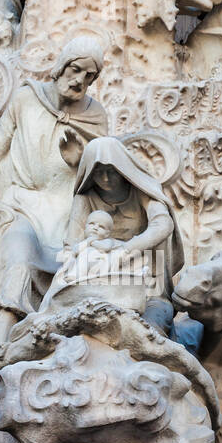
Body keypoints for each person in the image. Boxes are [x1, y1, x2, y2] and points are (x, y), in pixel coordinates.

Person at [0, 37, 108, 346]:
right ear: (61, 66)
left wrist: (81, 159)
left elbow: (106, 177)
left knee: (78, 274)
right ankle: (0, 348)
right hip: (23, 207)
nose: (79, 80)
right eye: (76, 69)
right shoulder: (26, 100)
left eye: (89, 76)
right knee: (19, 255)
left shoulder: (96, 117)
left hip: (70, 216)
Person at [66, 137, 185, 333]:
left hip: (146, 280)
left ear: (122, 167)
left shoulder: (142, 192)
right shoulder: (84, 198)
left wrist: (125, 250)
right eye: (98, 172)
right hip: (96, 280)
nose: (105, 179)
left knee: (150, 327)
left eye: (111, 171)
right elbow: (71, 245)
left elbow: (163, 224)